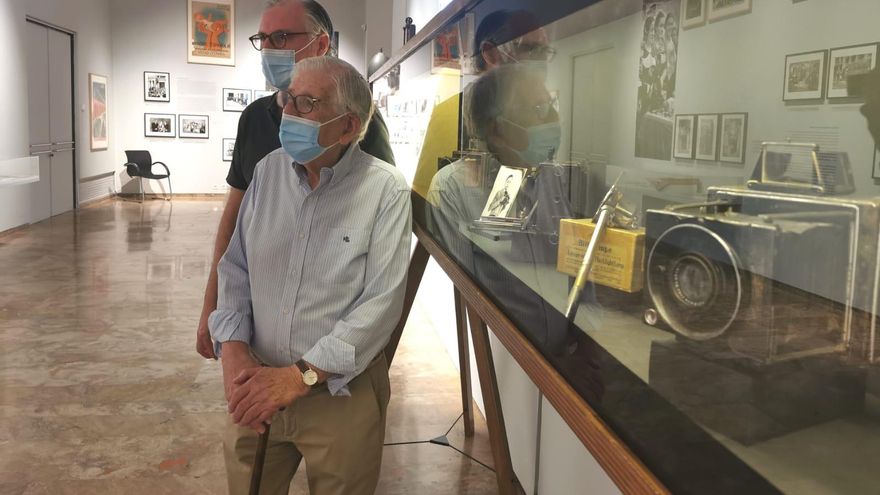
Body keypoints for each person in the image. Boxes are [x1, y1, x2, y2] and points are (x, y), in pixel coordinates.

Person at [209, 56, 411, 494]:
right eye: (287, 99)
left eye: (306, 103)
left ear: (347, 127)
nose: (288, 113)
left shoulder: (385, 191)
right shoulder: (266, 173)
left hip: (340, 395)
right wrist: (234, 351)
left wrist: (300, 375)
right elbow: (236, 269)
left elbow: (381, 304)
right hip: (257, 384)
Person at [196, 0, 395, 359]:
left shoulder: (361, 123)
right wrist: (213, 307)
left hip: (324, 341)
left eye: (283, 37)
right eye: (264, 39)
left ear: (320, 44)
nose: (270, 49)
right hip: (261, 330)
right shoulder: (255, 119)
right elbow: (235, 221)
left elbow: (377, 223)